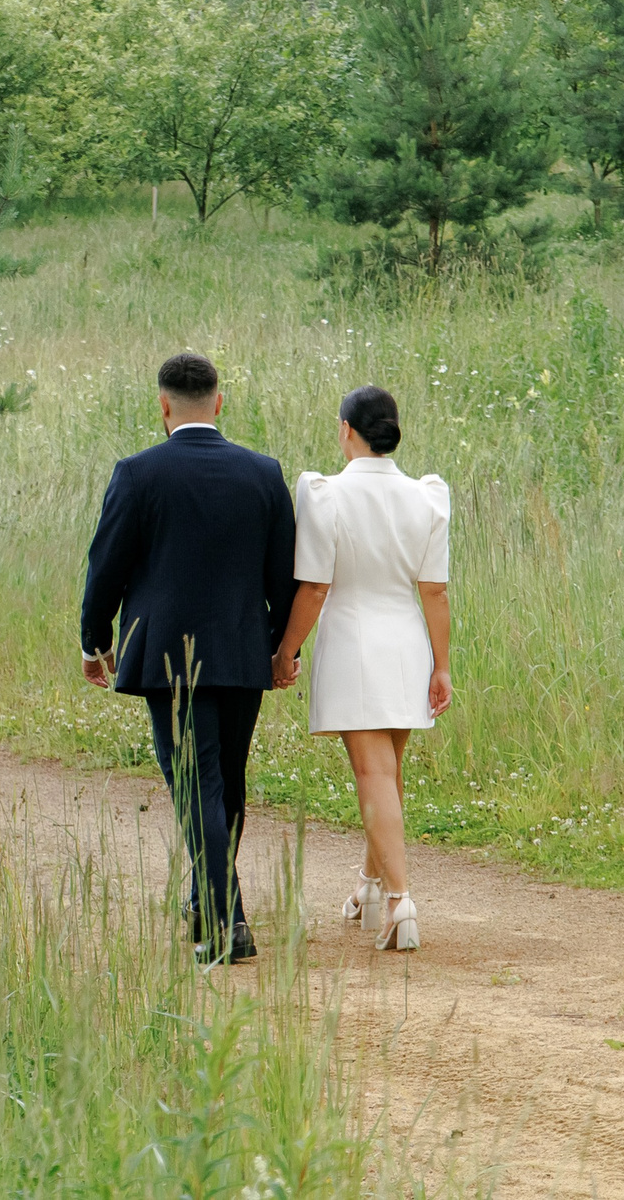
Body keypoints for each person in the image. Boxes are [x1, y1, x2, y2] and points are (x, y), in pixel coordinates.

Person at [79, 351, 298, 964]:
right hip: (242, 651)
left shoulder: (137, 473)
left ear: (164, 405)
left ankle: (225, 922)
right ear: (219, 402)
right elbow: (285, 575)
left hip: (167, 657)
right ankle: (213, 904)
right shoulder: (263, 472)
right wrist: (284, 647)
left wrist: (95, 640)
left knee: (195, 781)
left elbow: (108, 566)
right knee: (226, 783)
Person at [271, 385, 452, 953]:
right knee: (390, 772)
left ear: (346, 429)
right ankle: (370, 886)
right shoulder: (427, 497)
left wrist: (286, 651)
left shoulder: (324, 495)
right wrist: (442, 666)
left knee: (374, 775)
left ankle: (400, 901)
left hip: (353, 640)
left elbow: (317, 586)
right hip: (407, 641)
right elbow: (436, 590)